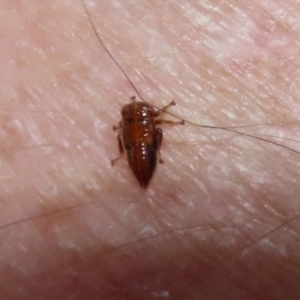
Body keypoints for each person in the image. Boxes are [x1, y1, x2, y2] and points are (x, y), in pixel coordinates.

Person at [1, 0, 299, 298]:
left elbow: (145, 127)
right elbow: (156, 124)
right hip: (140, 149)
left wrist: (128, 147)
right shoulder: (146, 121)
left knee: (146, 140)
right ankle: (137, 164)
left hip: (137, 150)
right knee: (150, 137)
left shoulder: (136, 122)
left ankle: (135, 162)